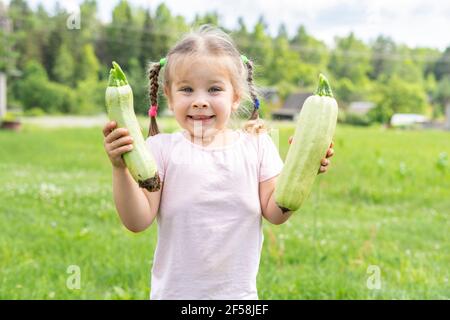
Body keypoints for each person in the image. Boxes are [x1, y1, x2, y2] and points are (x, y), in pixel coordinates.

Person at [102, 25, 334, 299]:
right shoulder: (160, 150)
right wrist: (120, 168)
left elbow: (276, 213)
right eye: (187, 89)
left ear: (235, 96)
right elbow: (137, 220)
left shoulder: (257, 146)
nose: (200, 101)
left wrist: (305, 166)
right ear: (169, 95)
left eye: (214, 89)